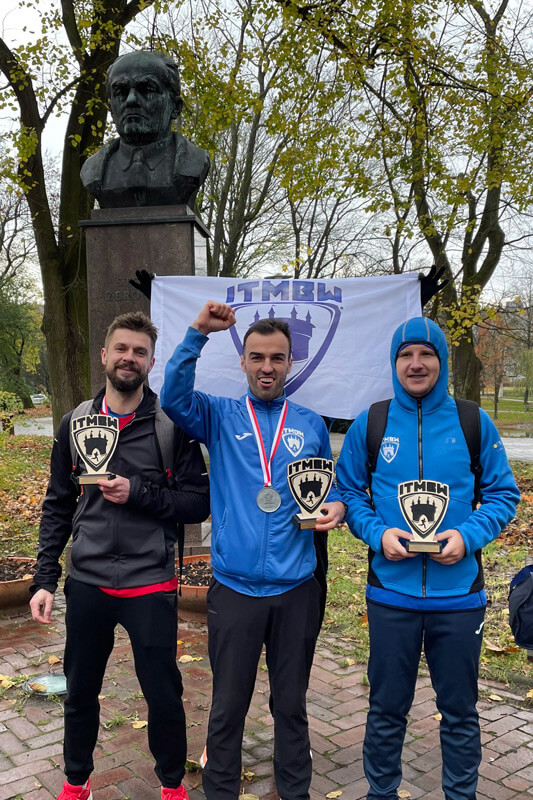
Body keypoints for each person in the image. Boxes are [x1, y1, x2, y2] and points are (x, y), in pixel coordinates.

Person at [160, 301, 346, 800]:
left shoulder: (310, 424)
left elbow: (326, 488)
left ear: (290, 363)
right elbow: (173, 397)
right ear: (243, 361)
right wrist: (198, 332)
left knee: (291, 704)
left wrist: (337, 505)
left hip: (296, 588)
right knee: (227, 706)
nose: (267, 367)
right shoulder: (219, 415)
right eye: (258, 357)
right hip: (235, 588)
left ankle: (295, 790)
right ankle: (220, 791)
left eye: (277, 358)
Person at [336, 316, 520, 800]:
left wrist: (468, 535)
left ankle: (461, 795)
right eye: (406, 355)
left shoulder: (472, 421)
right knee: (386, 709)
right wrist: (378, 533)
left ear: (441, 361)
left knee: (459, 712)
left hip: (458, 598)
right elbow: (349, 493)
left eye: (426, 354)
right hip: (390, 595)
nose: (416, 364)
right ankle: (381, 793)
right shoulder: (372, 423)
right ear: (393, 362)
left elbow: (503, 494)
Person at [29, 311, 210, 800]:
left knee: (164, 695)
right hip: (87, 581)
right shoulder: (75, 422)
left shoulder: (170, 426)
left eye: (140, 352)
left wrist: (138, 493)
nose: (129, 358)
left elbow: (199, 502)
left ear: (150, 362)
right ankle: (76, 782)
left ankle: (171, 785)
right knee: (79, 691)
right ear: (105, 354)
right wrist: (44, 579)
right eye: (122, 349)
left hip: (150, 582)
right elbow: (57, 504)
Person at [81, 51, 210, 208]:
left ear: (175, 107)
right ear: (111, 109)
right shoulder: (93, 171)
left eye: (147, 89)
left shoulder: (194, 163)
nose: (131, 100)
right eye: (121, 92)